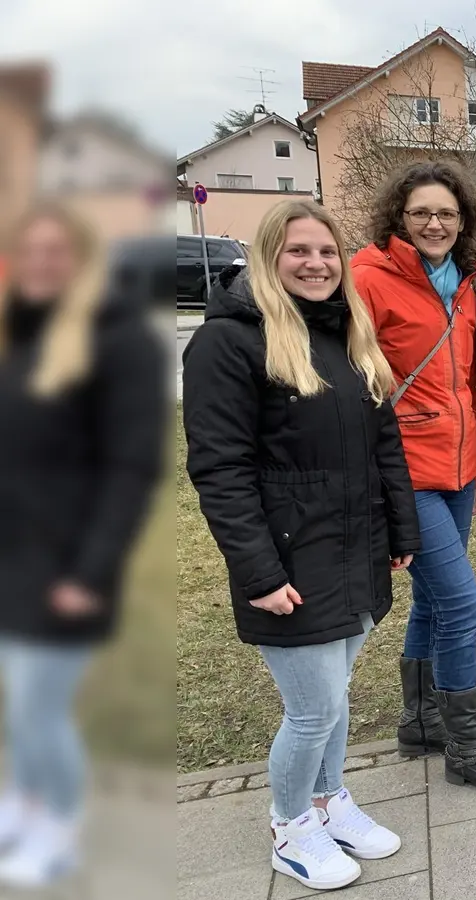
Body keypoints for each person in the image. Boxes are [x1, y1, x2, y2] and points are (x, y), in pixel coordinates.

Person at [184, 200, 419, 892]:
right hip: (289, 558)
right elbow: (220, 469)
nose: (316, 264)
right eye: (298, 252)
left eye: (326, 251)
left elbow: (385, 443)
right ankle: (290, 824)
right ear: (267, 257)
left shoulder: (346, 332)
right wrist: (259, 571)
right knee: (313, 707)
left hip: (353, 548)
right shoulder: (229, 342)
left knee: (336, 697)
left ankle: (327, 800)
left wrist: (400, 530)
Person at [351, 161, 476, 795]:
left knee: (433, 600)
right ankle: (467, 745)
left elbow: (460, 387)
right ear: (399, 217)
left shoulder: (467, 280)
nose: (435, 223)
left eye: (447, 214)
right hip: (403, 470)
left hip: (455, 466)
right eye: (422, 213)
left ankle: (422, 721)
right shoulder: (368, 278)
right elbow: (352, 380)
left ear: (464, 221)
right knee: (463, 605)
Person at [0, 205, 162, 887]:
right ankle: (28, 800)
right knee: (19, 698)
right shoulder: (23, 334)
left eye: (56, 252)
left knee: (41, 703)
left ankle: (61, 824)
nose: (42, 265)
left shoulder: (120, 342)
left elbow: (131, 469)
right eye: (30, 252)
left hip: (70, 560)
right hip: (15, 554)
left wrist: (91, 571)